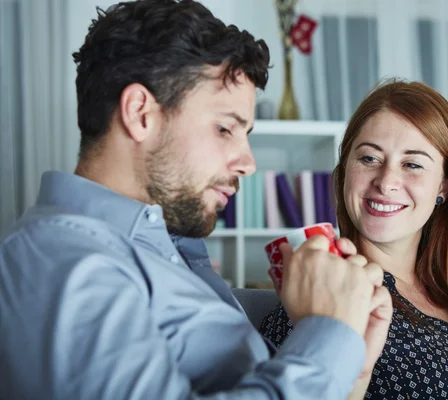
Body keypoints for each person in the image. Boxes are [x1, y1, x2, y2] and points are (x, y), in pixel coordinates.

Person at [0, 1, 393, 399]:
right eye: (225, 129)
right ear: (140, 114)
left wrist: (353, 369)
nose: (248, 164)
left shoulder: (162, 250)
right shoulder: (61, 257)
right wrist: (328, 334)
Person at [260, 79, 448, 400]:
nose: (386, 182)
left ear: (444, 186)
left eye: (411, 164)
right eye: (369, 159)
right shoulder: (321, 304)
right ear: (344, 173)